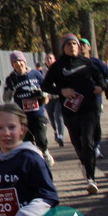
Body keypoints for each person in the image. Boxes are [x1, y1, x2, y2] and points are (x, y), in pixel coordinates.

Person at [41, 33, 105, 194]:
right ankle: (85, 164)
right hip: (70, 110)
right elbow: (45, 86)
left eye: (75, 44)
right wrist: (61, 90)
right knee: (77, 142)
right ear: (63, 47)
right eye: (69, 44)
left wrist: (101, 87)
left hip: (89, 107)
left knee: (89, 141)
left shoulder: (87, 63)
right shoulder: (57, 66)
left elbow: (100, 79)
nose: (73, 47)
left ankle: (91, 178)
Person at [2, 51, 54, 168]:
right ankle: (34, 162)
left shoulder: (35, 74)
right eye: (15, 62)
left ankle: (45, 152)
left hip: (38, 113)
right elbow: (6, 99)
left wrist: (42, 94)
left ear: (24, 61)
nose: (18, 64)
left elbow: (47, 89)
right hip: (22, 116)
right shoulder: (11, 78)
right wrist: (11, 88)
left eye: (20, 61)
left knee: (41, 138)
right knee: (28, 142)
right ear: (12, 64)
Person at [79, 38, 108, 158]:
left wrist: (102, 87)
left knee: (95, 123)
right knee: (80, 124)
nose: (81, 46)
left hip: (95, 98)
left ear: (89, 48)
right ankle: (85, 146)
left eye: (84, 44)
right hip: (78, 100)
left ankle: (95, 147)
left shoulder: (96, 62)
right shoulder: (73, 63)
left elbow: (107, 76)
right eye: (79, 44)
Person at [40, 53, 65, 147]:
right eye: (47, 59)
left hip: (59, 97)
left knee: (58, 115)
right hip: (48, 98)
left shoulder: (59, 69)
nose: (48, 60)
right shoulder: (42, 71)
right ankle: (56, 131)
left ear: (54, 59)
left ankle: (60, 135)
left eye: (50, 58)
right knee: (52, 118)